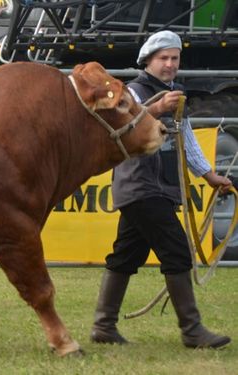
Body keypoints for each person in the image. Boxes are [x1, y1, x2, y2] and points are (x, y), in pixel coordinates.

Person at [90, 30, 232, 349]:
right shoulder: (134, 92)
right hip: (141, 186)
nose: (169, 64)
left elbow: (187, 140)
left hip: (154, 188)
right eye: (163, 58)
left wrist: (209, 175)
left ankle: (103, 326)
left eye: (174, 58)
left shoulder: (174, 93)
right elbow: (121, 127)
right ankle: (192, 330)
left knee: (126, 255)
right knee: (177, 251)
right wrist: (155, 110)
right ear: (148, 61)